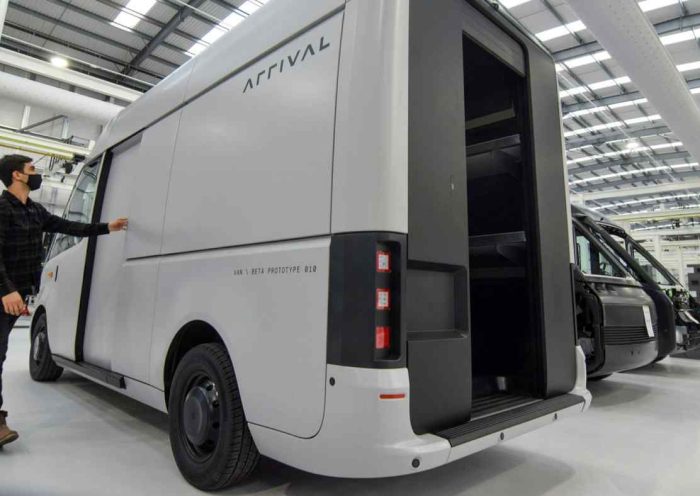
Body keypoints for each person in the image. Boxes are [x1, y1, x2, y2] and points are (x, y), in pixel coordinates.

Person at [0, 154, 128, 448]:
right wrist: (6, 290)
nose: (36, 173)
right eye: (31, 169)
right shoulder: (2, 209)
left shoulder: (34, 210)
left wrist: (107, 227)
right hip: (4, 292)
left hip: (14, 294)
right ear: (17, 175)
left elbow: (68, 226)